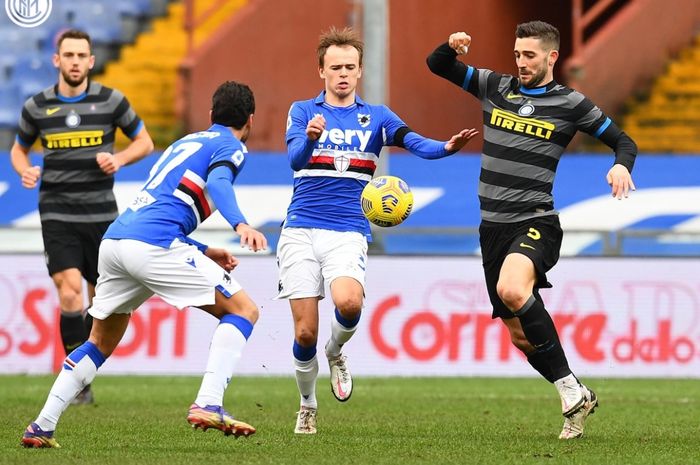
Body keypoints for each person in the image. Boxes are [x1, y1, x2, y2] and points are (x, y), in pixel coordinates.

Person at [20, 80, 268, 448]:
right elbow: (218, 182)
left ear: (212, 115)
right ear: (250, 120)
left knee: (99, 342)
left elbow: (160, 209)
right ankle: (209, 401)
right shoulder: (231, 146)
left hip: (117, 242)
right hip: (153, 245)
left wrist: (201, 249)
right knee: (244, 311)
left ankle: (42, 425)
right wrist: (240, 223)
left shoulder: (185, 143)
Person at [427, 21, 637, 439]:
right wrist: (451, 45)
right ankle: (576, 391)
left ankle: (568, 392)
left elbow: (624, 141)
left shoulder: (571, 103)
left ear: (552, 57)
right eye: (517, 54)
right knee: (522, 339)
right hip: (492, 229)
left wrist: (619, 165)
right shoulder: (494, 86)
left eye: (530, 56)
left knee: (512, 289)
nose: (520, 63)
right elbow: (438, 64)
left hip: (536, 220)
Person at [278, 26, 479, 435]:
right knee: (304, 330)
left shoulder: (378, 117)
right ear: (321, 71)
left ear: (360, 71)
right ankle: (307, 403)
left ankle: (336, 353)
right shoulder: (303, 111)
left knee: (349, 305)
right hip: (300, 228)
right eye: (335, 67)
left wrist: (446, 147)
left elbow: (413, 141)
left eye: (350, 67)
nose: (343, 74)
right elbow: (295, 161)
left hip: (348, 228)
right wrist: (311, 138)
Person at [10, 29, 154, 405]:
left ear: (91, 61)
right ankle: (78, 384)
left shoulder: (111, 101)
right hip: (57, 212)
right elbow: (18, 149)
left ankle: (84, 366)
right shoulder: (37, 107)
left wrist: (119, 158)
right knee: (69, 291)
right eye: (68, 55)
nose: (75, 62)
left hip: (102, 215)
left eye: (81, 56)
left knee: (100, 301)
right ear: (57, 60)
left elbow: (145, 141)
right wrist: (24, 169)